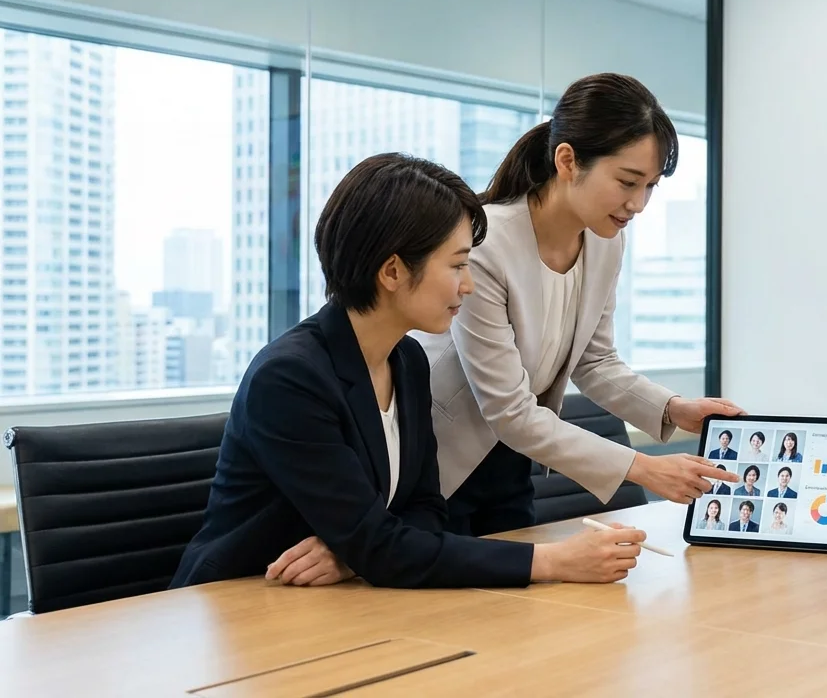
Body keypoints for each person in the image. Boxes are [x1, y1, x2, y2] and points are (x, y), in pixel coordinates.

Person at [170, 153, 647, 591]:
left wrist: (358, 552)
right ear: (393, 272)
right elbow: (382, 541)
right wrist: (554, 562)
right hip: (240, 602)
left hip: (345, 600)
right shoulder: (290, 379)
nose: (469, 284)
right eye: (458, 264)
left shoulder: (407, 360)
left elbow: (423, 511)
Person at [419, 73, 745, 536]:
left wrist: (675, 408)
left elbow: (595, 361)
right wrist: (644, 469)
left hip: (517, 461)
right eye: (628, 182)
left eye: (650, 186)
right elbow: (510, 410)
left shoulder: (605, 241)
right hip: (440, 466)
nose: (638, 204)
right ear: (567, 160)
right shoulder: (487, 243)